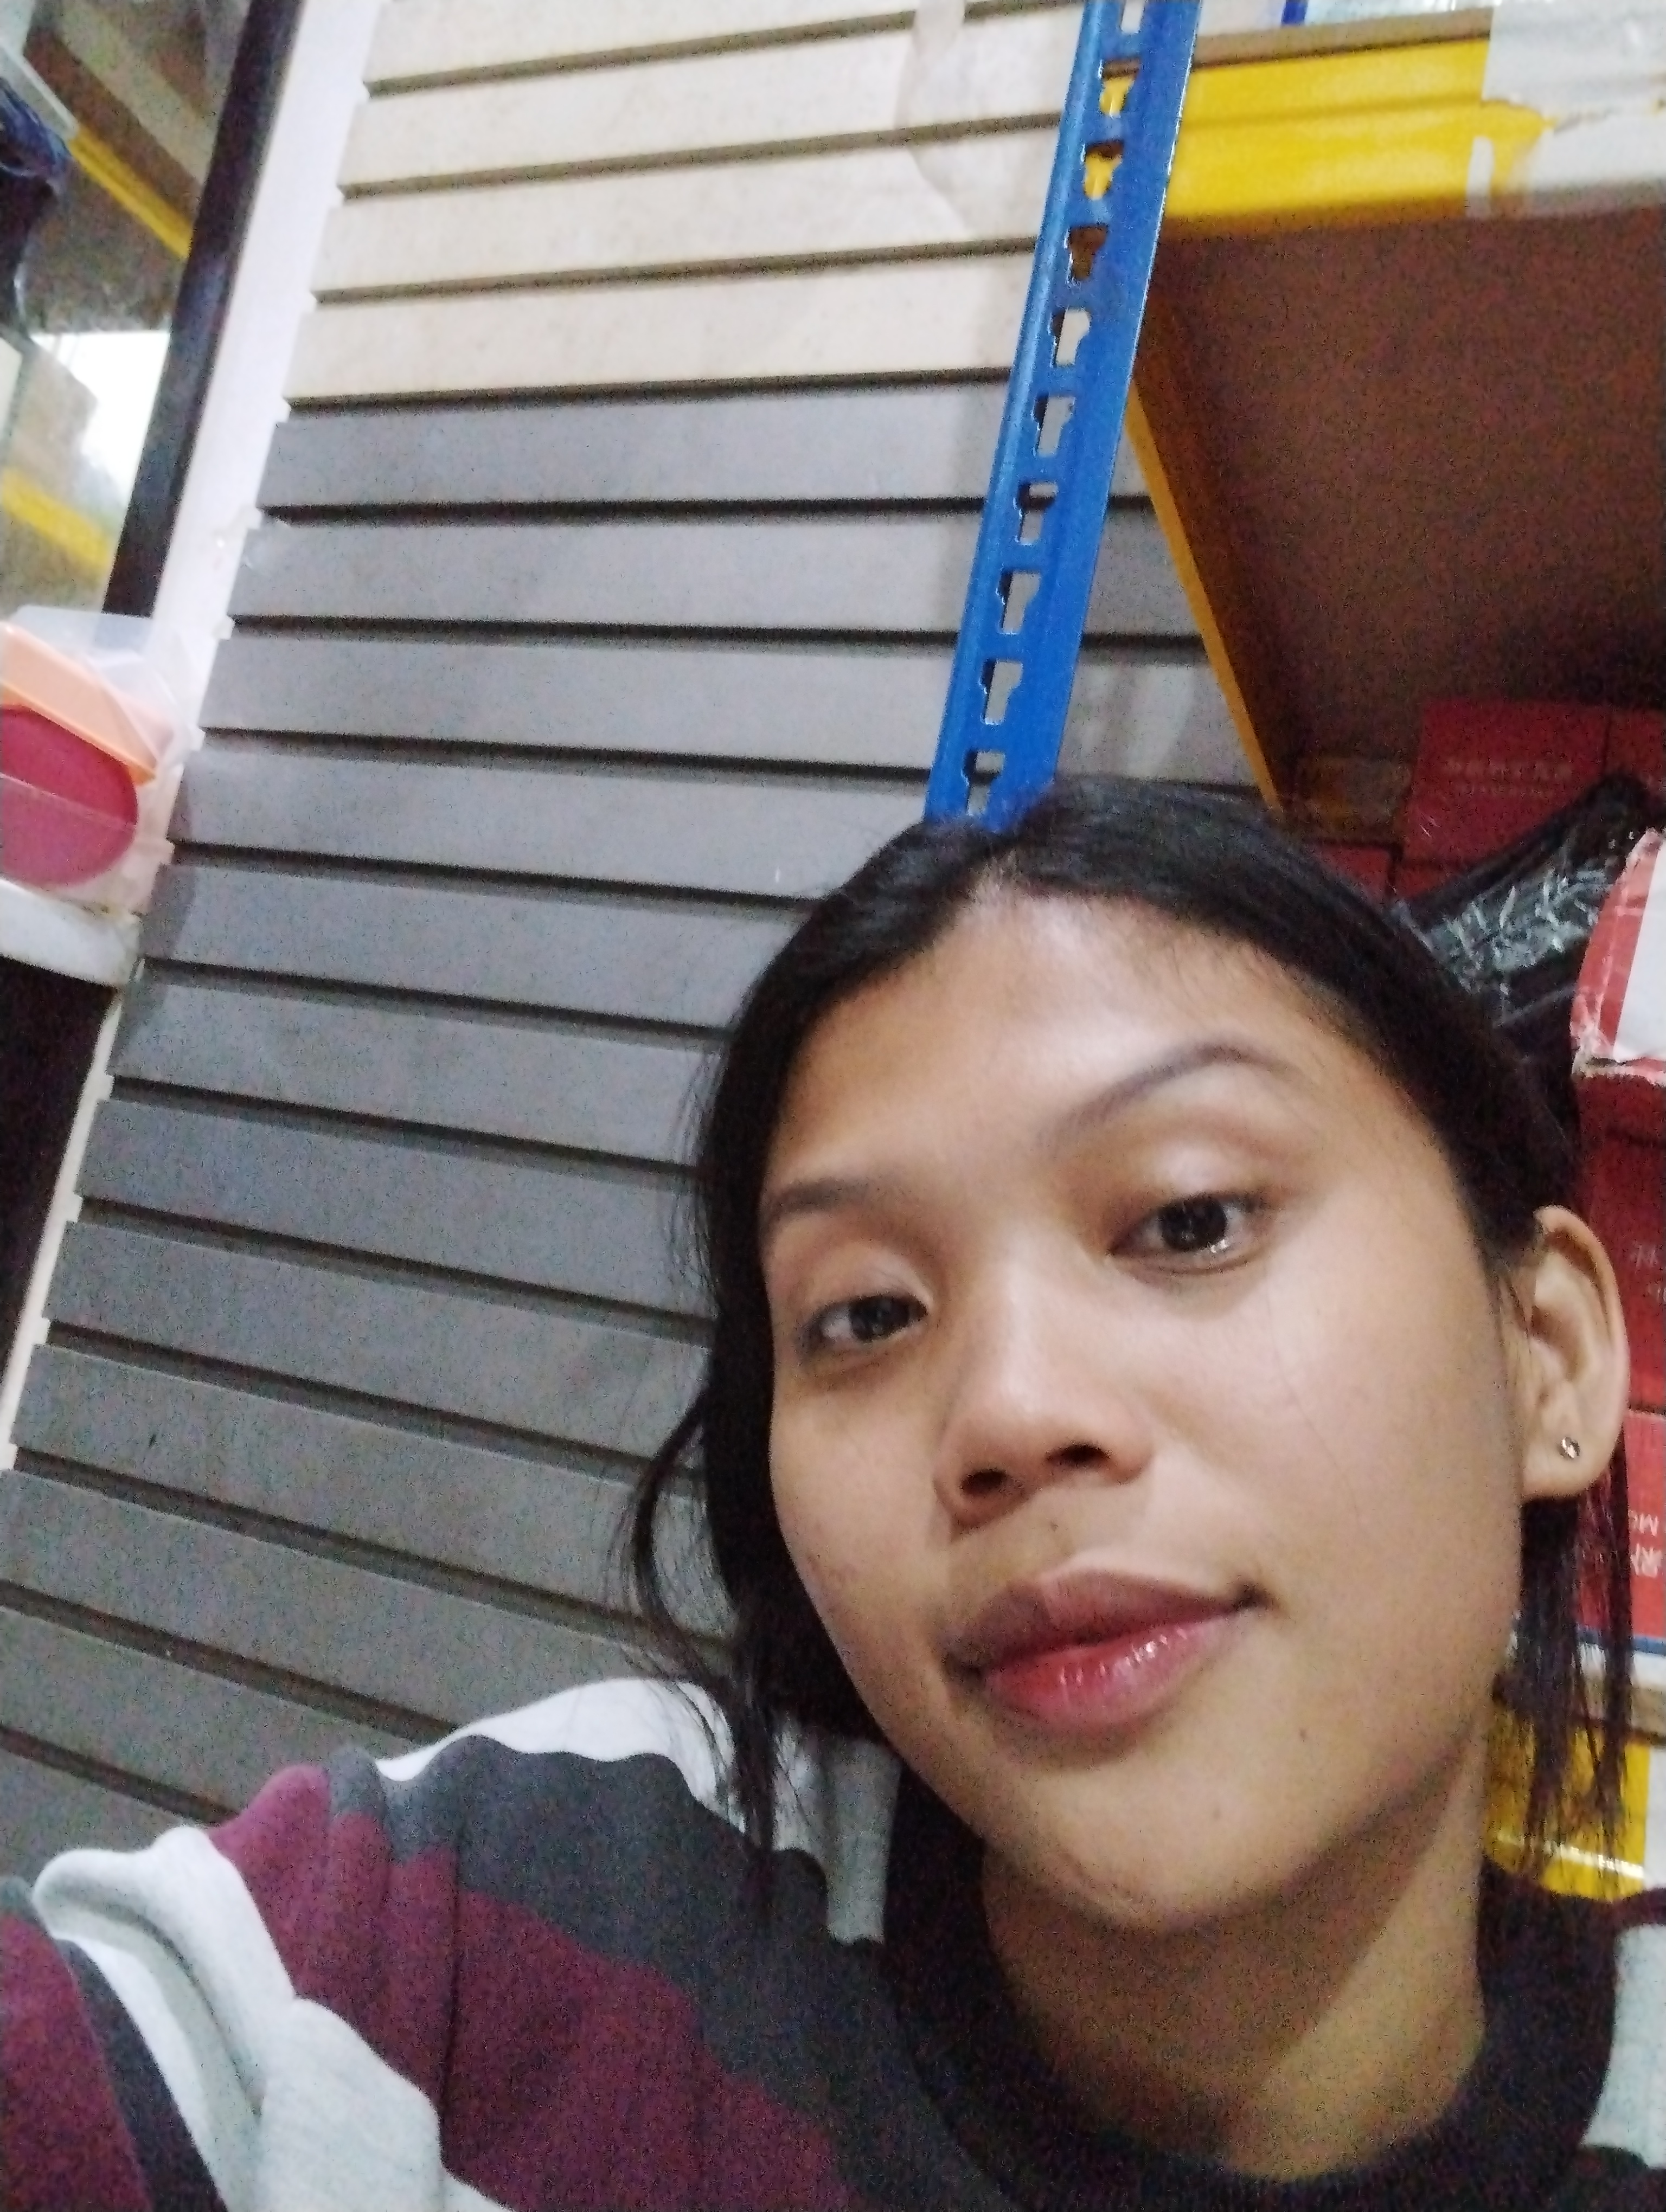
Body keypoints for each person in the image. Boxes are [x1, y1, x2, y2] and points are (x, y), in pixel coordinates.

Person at [0, 780, 1645, 2211]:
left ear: (1549, 1355)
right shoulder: (506, 1918)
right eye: (864, 1316)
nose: (1009, 1415)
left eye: (1190, 1220)